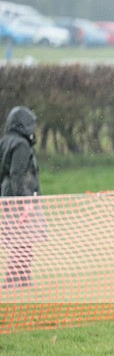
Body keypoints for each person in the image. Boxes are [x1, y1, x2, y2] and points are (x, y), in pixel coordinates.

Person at [0, 106, 47, 288]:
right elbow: (17, 174)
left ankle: (22, 278)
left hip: (8, 195)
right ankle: (15, 279)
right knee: (25, 240)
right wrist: (26, 201)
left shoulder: (5, 142)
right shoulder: (20, 145)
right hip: (20, 197)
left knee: (23, 240)